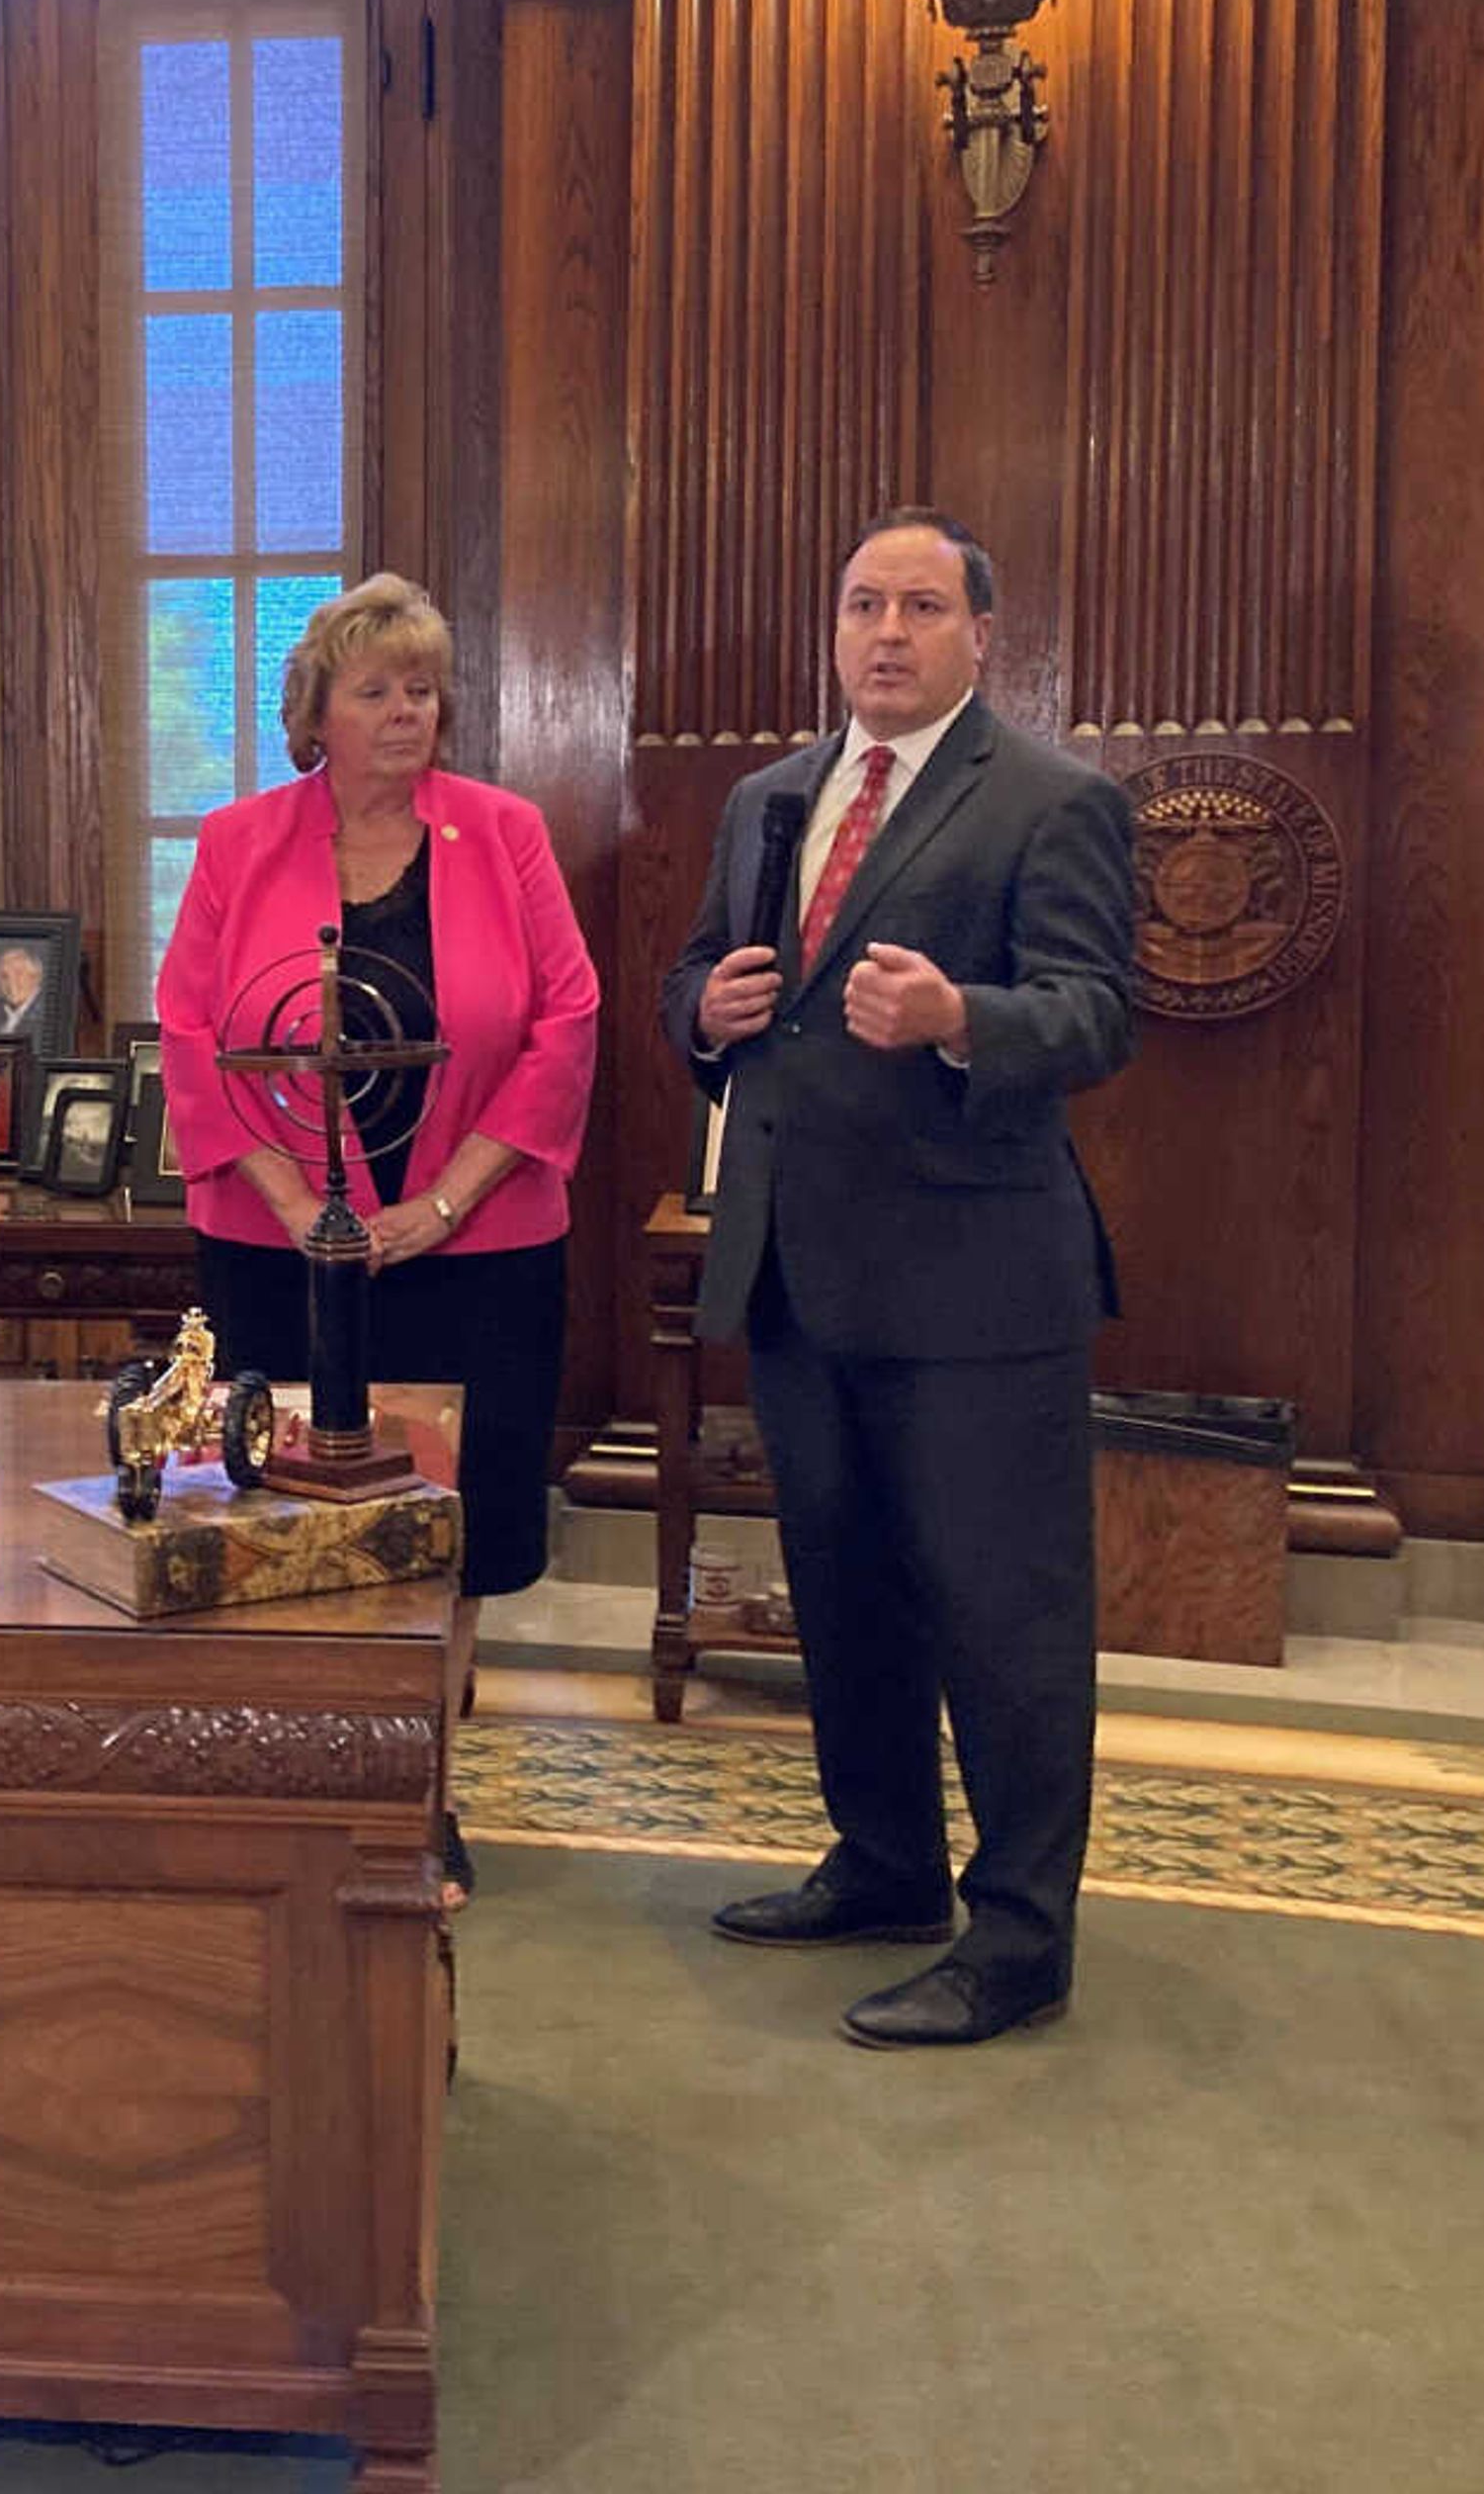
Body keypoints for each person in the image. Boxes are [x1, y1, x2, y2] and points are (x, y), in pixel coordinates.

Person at [659, 507, 1134, 2051]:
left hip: (978, 1288)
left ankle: (1017, 1940)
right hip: (800, 1271)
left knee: (1006, 1622)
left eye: (920, 607)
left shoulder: (1051, 803)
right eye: (863, 603)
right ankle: (882, 1868)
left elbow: (1094, 1018)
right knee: (847, 1600)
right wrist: (703, 1012)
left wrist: (956, 1018)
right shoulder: (770, 799)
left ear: (980, 636)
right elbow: (708, 987)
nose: (885, 632)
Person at [155, 575, 600, 1907]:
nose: (406, 713)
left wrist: (446, 1199)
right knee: (282, 1516)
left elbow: (565, 1023)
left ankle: (423, 1799)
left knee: (442, 1533)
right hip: (276, 1245)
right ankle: (299, 1784)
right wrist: (303, 1212)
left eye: (422, 689)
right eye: (376, 691)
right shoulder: (239, 843)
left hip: (478, 1246)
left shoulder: (504, 832)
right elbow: (191, 1030)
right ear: (318, 714)